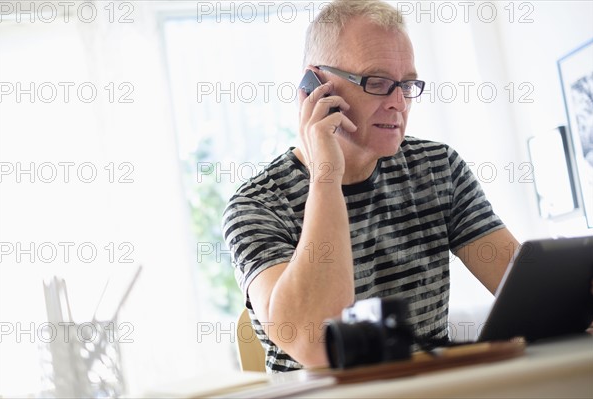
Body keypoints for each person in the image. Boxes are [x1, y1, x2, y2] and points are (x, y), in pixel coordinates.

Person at [222, 0, 522, 372]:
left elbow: (531, 296)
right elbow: (315, 343)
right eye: (377, 83)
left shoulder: (438, 168)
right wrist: (326, 175)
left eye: (407, 85)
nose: (398, 103)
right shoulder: (258, 204)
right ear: (315, 86)